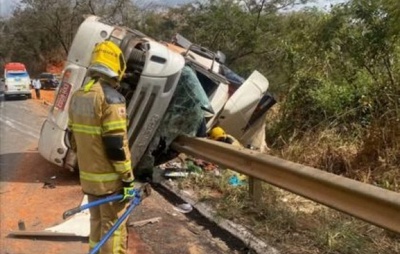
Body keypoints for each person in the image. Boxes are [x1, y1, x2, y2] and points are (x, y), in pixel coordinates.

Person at [68, 41, 134, 254]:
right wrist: (127, 178)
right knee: (113, 226)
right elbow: (116, 146)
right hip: (109, 182)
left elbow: (73, 140)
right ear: (116, 66)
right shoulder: (111, 99)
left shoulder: (78, 96)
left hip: (88, 178)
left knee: (96, 223)